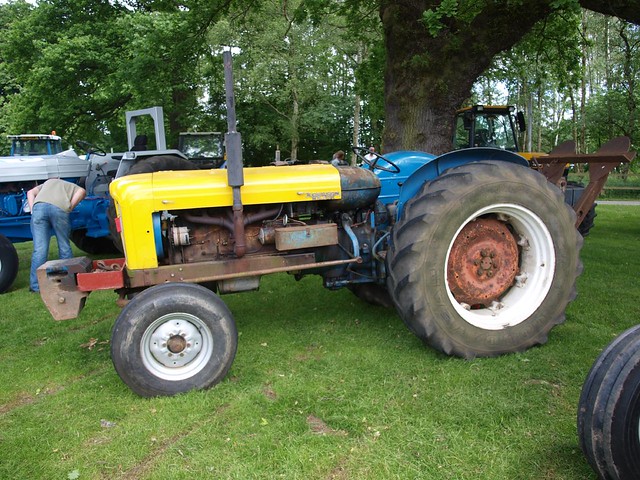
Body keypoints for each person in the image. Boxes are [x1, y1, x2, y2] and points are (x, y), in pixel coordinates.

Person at [27, 178, 86, 292]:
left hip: (39, 208)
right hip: (59, 208)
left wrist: (32, 210)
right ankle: (68, 282)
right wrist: (70, 207)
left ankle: (35, 286)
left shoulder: (47, 183)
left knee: (39, 249)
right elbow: (82, 191)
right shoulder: (72, 186)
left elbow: (30, 192)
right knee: (64, 245)